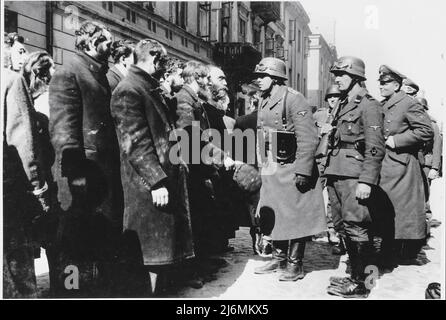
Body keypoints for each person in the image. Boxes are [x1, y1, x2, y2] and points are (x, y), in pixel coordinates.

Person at [110, 39, 195, 296]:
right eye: (163, 62)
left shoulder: (148, 88)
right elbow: (135, 142)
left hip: (162, 180)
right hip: (147, 186)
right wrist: (156, 181)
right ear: (155, 59)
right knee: (152, 255)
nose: (165, 68)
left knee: (162, 252)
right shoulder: (129, 89)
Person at [49, 20, 123, 297]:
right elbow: (63, 130)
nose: (112, 46)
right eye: (107, 41)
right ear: (90, 42)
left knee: (98, 243)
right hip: (83, 178)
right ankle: (71, 293)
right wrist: (76, 174)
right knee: (74, 245)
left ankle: (94, 292)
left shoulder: (98, 74)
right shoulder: (69, 73)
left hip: (101, 177)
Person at [252, 57, 327, 282]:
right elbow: (260, 134)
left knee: (295, 216)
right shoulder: (264, 100)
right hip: (273, 167)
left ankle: (295, 264)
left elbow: (308, 139)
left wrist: (303, 172)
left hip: (293, 165)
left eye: (262, 77)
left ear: (275, 78)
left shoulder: (295, 100)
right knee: (275, 213)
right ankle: (279, 257)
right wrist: (262, 165)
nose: (259, 81)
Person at [324, 57, 385, 298]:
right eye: (335, 74)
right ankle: (354, 274)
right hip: (337, 172)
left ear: (356, 77)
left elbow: (375, 147)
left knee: (357, 227)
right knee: (343, 226)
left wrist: (366, 181)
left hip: (355, 174)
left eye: (342, 74)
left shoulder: (368, 105)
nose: (337, 78)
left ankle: (364, 283)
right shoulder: (344, 102)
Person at [3, 48, 51, 298]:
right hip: (9, 189)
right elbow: (24, 141)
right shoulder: (11, 81)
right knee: (16, 264)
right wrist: (38, 186)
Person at [377, 65, 433, 266]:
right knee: (387, 210)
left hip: (401, 167)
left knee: (398, 211)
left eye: (384, 83)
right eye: (380, 83)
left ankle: (393, 253)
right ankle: (388, 251)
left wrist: (397, 140)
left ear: (396, 84)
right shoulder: (386, 103)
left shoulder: (408, 103)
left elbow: (426, 131)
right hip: (387, 165)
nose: (381, 87)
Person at [313, 85, 345, 253]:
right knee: (313, 193)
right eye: (330, 97)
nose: (333, 99)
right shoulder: (319, 114)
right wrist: (320, 131)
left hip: (336, 160)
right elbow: (310, 131)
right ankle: (311, 228)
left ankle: (333, 230)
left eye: (336, 96)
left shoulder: (344, 113)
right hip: (320, 159)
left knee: (334, 199)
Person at [415, 97, 442, 234]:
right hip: (413, 162)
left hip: (426, 163)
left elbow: (437, 147)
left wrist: (434, 168)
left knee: (424, 194)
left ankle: (425, 227)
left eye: (422, 108)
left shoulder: (432, 124)